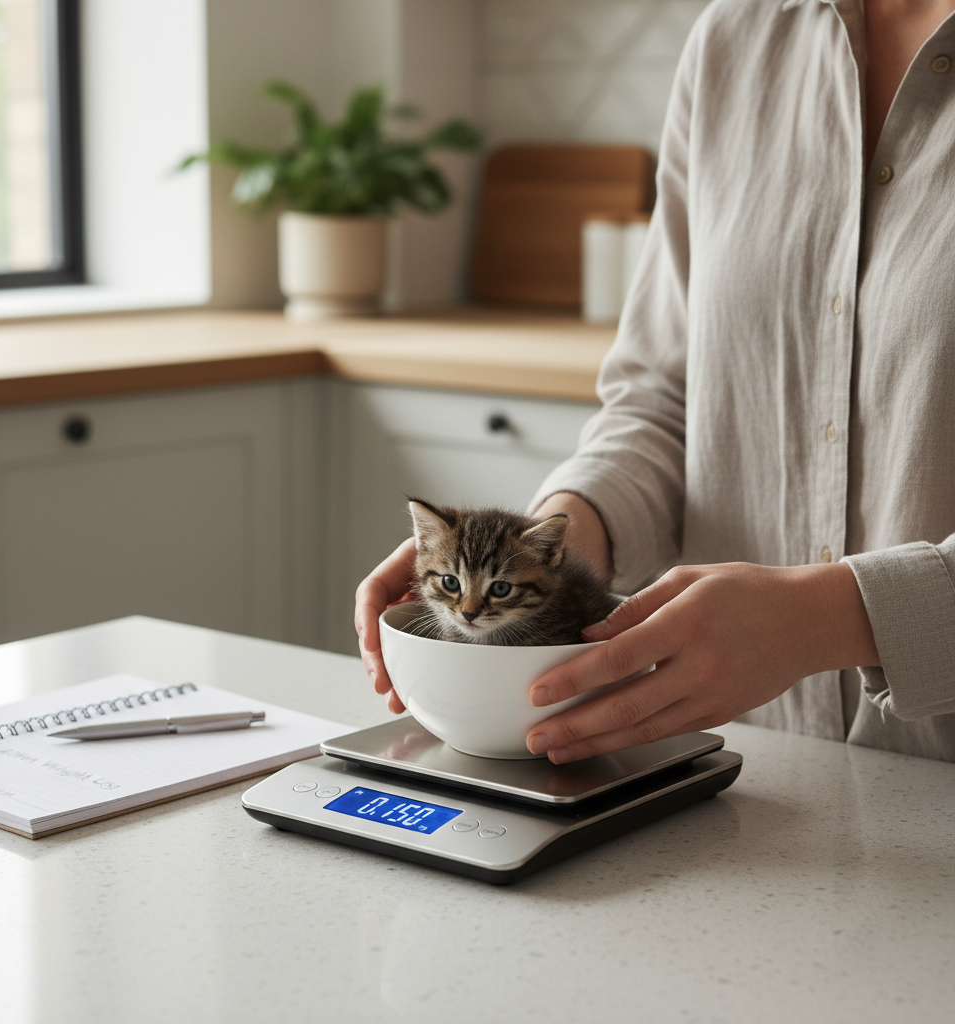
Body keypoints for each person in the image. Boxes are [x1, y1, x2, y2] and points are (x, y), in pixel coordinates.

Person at [354, 0, 955, 763]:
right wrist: (549, 551)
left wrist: (827, 619)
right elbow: (664, 401)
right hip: (745, 773)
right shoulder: (734, 40)